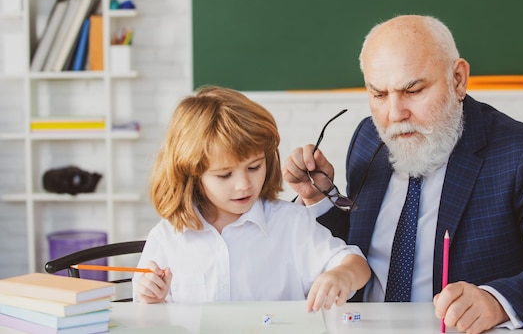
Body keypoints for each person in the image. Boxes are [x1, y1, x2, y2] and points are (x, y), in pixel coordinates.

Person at [282, 15, 523, 333]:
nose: (394, 114)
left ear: (458, 79)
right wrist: (321, 198)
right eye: (378, 95)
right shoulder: (368, 138)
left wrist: (496, 302)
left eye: (413, 91)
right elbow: (356, 239)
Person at [133, 85, 370, 311]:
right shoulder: (167, 238)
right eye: (225, 175)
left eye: (254, 167)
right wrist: (151, 298)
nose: (244, 185)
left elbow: (356, 264)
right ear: (192, 175)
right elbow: (147, 314)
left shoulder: (290, 223)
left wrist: (343, 275)